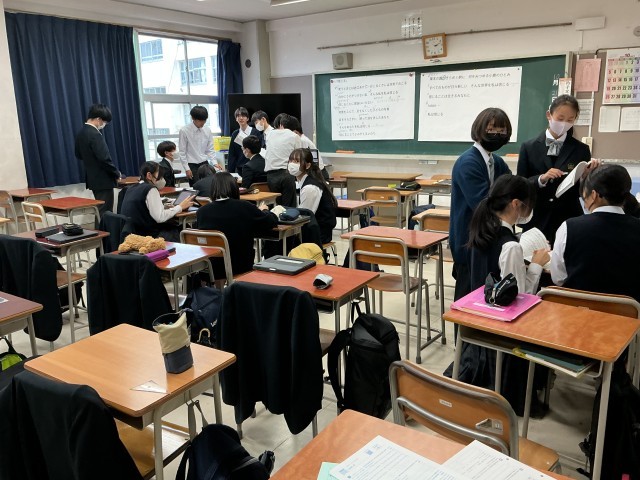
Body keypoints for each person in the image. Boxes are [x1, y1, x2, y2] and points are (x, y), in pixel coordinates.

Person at [456, 174, 550, 414]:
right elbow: (520, 298)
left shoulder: (481, 230)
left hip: (479, 317)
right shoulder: (510, 246)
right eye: (527, 205)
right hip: (501, 327)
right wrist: (536, 265)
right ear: (516, 204)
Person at [551, 164, 640, 303]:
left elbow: (558, 278)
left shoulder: (568, 227)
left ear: (594, 195)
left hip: (577, 310)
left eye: (584, 196)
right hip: (628, 313)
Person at [449, 107, 512, 301]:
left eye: (502, 131)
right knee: (467, 297)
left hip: (487, 238)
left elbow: (512, 186)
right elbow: (482, 203)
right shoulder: (468, 162)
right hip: (469, 240)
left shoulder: (497, 162)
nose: (497, 135)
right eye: (491, 130)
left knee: (484, 295)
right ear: (479, 129)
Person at [517, 95, 594, 243]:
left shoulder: (581, 149)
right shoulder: (528, 147)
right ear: (549, 115)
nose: (564, 123)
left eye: (570, 120)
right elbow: (520, 183)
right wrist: (541, 179)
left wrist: (586, 177)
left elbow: (582, 191)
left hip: (568, 218)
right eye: (560, 118)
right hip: (536, 217)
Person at [196, 172, 278, 280]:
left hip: (212, 266)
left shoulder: (202, 212)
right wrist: (265, 210)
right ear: (234, 187)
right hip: (240, 264)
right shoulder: (244, 206)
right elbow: (271, 221)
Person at [120, 161, 194, 242]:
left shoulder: (131, 188)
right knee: (184, 228)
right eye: (160, 176)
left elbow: (143, 207)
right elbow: (160, 217)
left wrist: (163, 206)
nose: (162, 179)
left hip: (133, 234)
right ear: (149, 175)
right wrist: (180, 207)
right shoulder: (150, 189)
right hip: (149, 236)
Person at [75, 103, 120, 216]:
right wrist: (116, 173)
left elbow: (78, 155)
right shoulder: (95, 134)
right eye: (105, 122)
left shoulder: (81, 133)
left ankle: (100, 227)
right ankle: (104, 228)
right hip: (103, 180)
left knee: (100, 211)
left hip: (93, 179)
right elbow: (104, 159)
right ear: (98, 119)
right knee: (105, 212)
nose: (104, 125)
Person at [288, 148, 337, 244]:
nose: (292, 164)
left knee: (282, 241)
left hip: (319, 233)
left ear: (308, 165)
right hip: (314, 228)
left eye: (297, 161)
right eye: (291, 161)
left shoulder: (310, 187)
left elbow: (304, 216)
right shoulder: (305, 181)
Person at [264, 113, 302, 207]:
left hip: (271, 176)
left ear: (281, 124)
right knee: (289, 208)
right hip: (286, 174)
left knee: (275, 207)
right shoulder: (294, 136)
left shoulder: (269, 134)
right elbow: (298, 157)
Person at [178, 106, 220, 186]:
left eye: (204, 120)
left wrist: (215, 163)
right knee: (196, 187)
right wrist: (187, 168)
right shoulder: (184, 131)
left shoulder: (207, 130)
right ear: (193, 118)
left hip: (204, 163)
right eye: (200, 120)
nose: (203, 123)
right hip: (192, 165)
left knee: (211, 184)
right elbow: (182, 152)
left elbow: (210, 149)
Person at [288, 116, 330, 181]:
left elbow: (304, 160)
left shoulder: (302, 141)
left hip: (318, 174)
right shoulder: (302, 139)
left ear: (295, 132)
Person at [228, 107, 259, 174]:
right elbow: (232, 154)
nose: (241, 118)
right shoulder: (235, 134)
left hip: (254, 167)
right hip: (240, 168)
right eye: (238, 116)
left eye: (243, 116)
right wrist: (230, 172)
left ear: (247, 118)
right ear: (236, 119)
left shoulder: (255, 132)